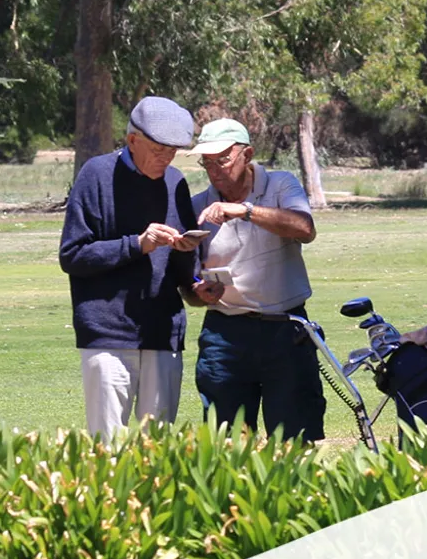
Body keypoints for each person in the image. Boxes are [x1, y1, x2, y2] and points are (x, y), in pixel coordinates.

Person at [59, 97, 203, 440]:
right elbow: (73, 255)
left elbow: (182, 270)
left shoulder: (176, 182)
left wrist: (195, 277)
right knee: (107, 447)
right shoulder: (96, 175)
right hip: (108, 335)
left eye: (173, 152)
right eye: (158, 150)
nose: (165, 159)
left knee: (158, 445)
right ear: (132, 140)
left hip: (162, 332)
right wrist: (137, 244)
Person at [183, 118, 323, 443]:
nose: (214, 170)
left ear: (248, 154)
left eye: (223, 160)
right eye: (207, 163)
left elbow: (305, 229)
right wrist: (197, 291)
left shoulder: (280, 185)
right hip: (224, 335)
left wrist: (244, 211)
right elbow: (185, 282)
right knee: (226, 442)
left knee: (294, 440)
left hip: (286, 330)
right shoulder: (196, 207)